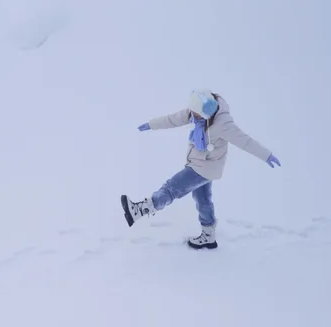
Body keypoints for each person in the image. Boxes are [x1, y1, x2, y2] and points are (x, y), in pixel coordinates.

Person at [120, 89, 280, 250]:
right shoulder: (198, 109)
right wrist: (152, 124)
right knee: (202, 199)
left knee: (171, 188)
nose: (191, 116)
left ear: (206, 113)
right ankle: (208, 235)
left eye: (195, 114)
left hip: (203, 168)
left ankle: (140, 210)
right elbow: (173, 119)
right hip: (203, 165)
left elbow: (245, 141)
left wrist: (266, 155)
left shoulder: (223, 124)